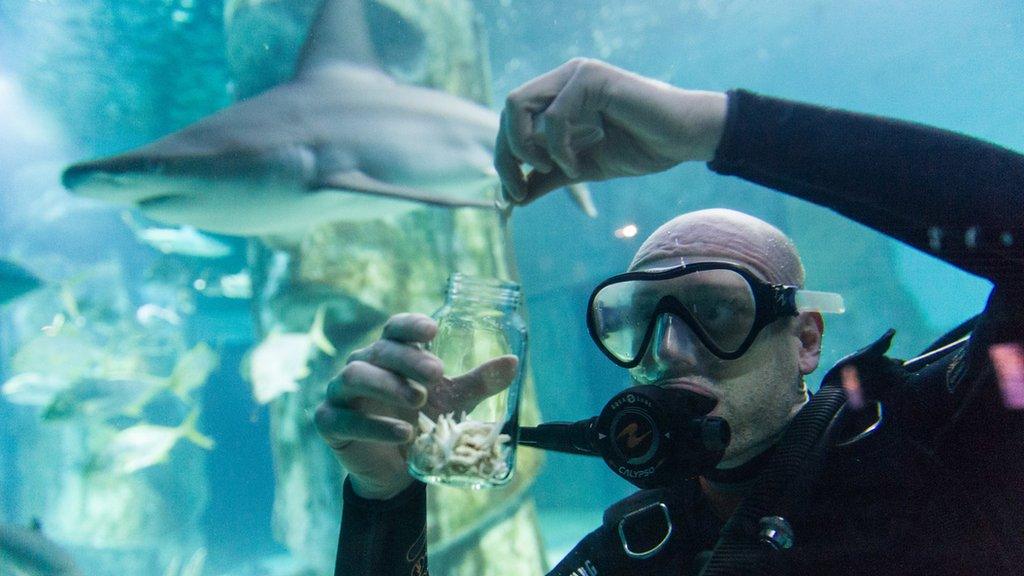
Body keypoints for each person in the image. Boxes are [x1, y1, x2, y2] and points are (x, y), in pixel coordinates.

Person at [315, 58, 1024, 575]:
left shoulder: (949, 441)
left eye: (717, 310)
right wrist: (384, 496)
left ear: (805, 337)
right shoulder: (634, 552)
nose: (672, 349)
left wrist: (715, 128)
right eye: (638, 319)